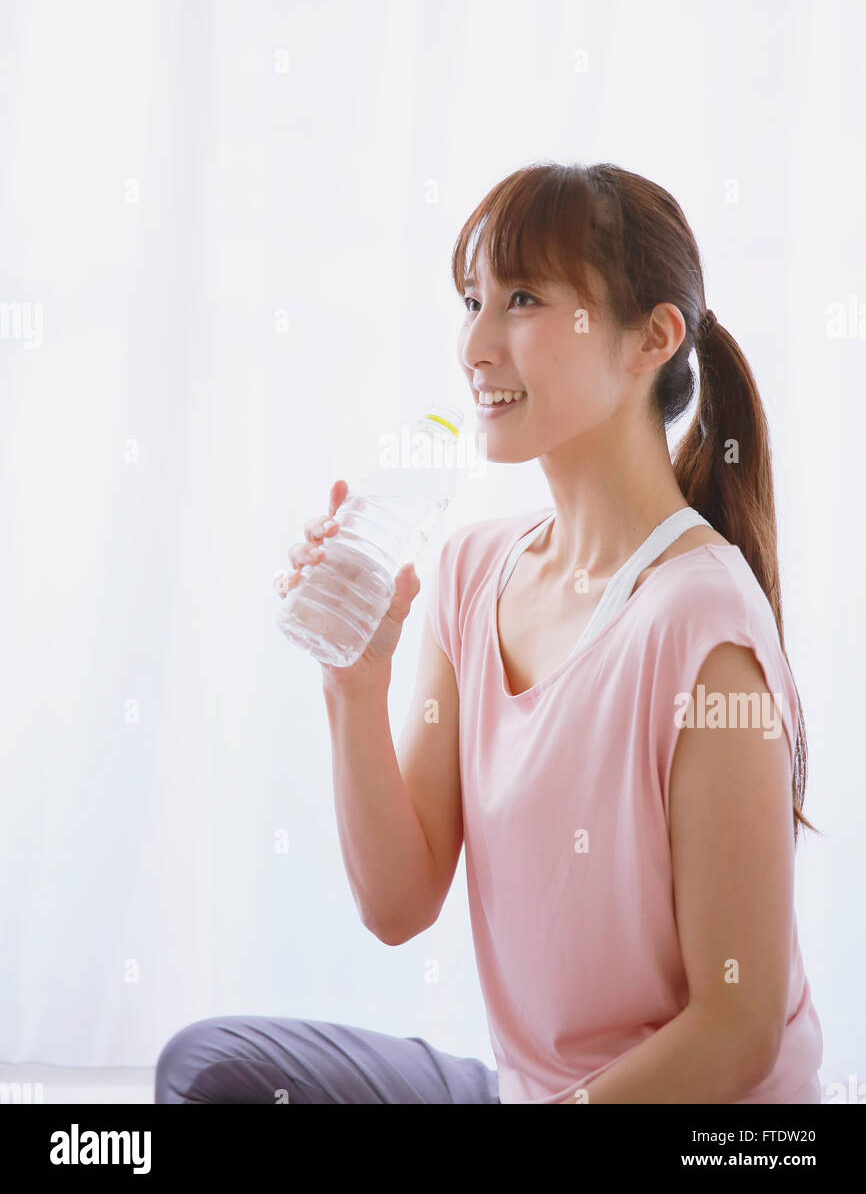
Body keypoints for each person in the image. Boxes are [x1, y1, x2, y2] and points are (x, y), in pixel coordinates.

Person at [155, 161, 823, 1104]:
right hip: (528, 1095)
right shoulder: (475, 571)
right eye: (471, 300)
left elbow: (738, 1030)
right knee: (212, 1068)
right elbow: (398, 903)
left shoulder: (701, 626)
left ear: (651, 339)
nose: (475, 343)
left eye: (522, 299)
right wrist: (355, 682)